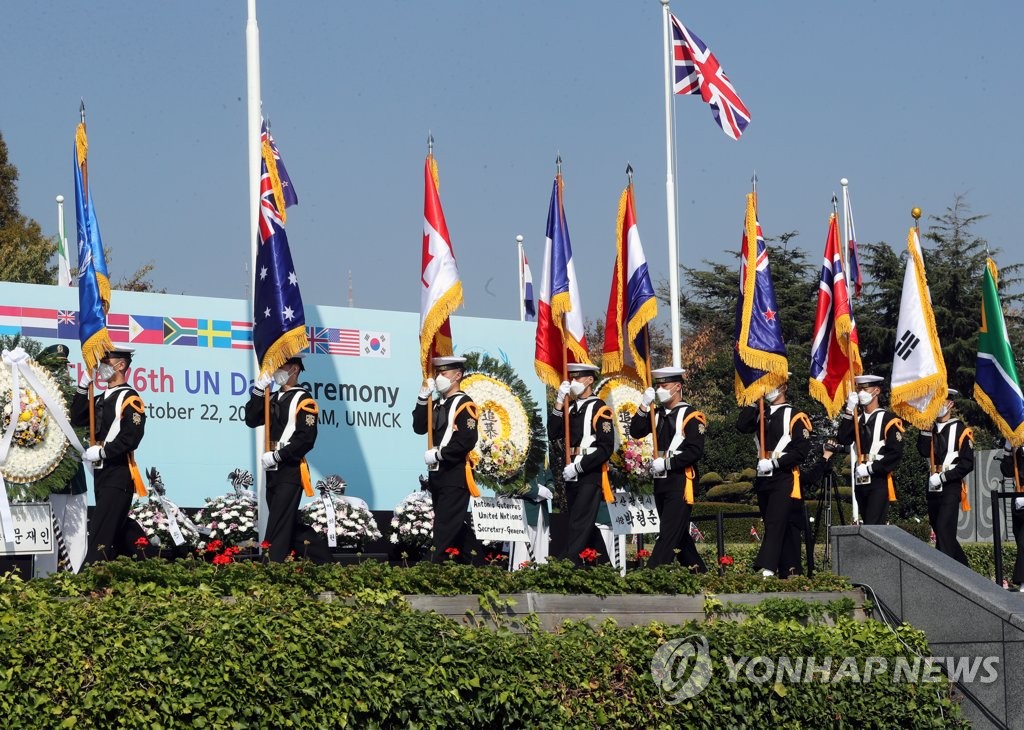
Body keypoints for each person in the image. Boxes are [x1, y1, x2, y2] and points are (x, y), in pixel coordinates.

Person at [244, 354, 332, 563]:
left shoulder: (305, 400)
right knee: (287, 523)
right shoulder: (272, 397)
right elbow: (251, 419)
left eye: (282, 367)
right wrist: (258, 391)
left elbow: (306, 439)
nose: (277, 372)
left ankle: (271, 567)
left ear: (295, 369)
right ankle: (324, 560)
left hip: (290, 467)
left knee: (278, 522)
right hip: (272, 469)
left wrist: (278, 455)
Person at [70, 347, 147, 564]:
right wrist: (83, 387)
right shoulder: (102, 397)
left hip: (118, 473)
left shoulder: (130, 398)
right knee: (118, 532)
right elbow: (77, 418)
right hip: (102, 473)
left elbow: (131, 438)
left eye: (105, 360)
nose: (101, 365)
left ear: (120, 365)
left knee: (100, 534)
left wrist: (103, 451)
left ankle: (88, 579)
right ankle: (146, 564)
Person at [629, 366, 706, 571]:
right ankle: (701, 573)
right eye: (658, 385)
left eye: (664, 385)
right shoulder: (656, 413)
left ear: (677, 387)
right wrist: (644, 406)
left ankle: (653, 572)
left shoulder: (692, 416)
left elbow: (695, 451)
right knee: (679, 535)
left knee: (669, 531)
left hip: (681, 480)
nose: (660, 389)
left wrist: (668, 463)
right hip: (661, 480)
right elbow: (636, 431)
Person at [736, 375, 812, 578]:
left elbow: (801, 451)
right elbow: (741, 426)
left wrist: (777, 462)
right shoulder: (761, 413)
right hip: (763, 475)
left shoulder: (795, 415)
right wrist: (754, 400)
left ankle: (766, 567)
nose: (768, 389)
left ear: (784, 387)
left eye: (772, 385)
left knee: (775, 521)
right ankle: (791, 570)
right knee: (780, 523)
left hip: (784, 475)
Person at [412, 356, 480, 563]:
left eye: (443, 373)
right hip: (438, 474)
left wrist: (440, 454)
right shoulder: (438, 404)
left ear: (457, 375)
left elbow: (466, 440)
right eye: (437, 373)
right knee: (455, 526)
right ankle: (481, 564)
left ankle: (430, 566)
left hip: (455, 473)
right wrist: (423, 398)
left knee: (444, 525)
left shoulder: (464, 404)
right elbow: (419, 427)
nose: (439, 377)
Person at [548, 362, 614, 566]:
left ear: (590, 380)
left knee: (579, 521)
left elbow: (605, 448)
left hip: (588, 472)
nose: (573, 382)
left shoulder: (600, 409)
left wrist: (580, 466)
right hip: (570, 472)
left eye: (577, 378)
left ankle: (566, 563)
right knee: (584, 522)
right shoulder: (571, 407)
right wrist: (559, 402)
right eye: (572, 378)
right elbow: (553, 432)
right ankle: (603, 567)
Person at [837, 374, 904, 525]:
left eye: (865, 389)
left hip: (878, 477)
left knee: (874, 525)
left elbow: (895, 454)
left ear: (876, 391)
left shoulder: (889, 419)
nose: (862, 393)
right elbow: (843, 439)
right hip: (860, 477)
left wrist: (871, 469)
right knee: (866, 523)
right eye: (859, 389)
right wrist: (848, 410)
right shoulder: (857, 419)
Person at [917, 388, 973, 567]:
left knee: (943, 527)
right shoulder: (930, 426)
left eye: (942, 401)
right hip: (932, 485)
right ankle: (964, 569)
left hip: (950, 485)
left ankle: (945, 570)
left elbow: (967, 464)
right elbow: (923, 451)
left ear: (950, 404)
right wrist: (925, 431)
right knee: (941, 531)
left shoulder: (961, 430)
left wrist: (944, 477)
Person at [998, 441, 1024, 590]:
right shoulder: (1017, 448)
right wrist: (1008, 449)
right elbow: (1007, 471)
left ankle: (1022, 581)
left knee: (1023, 542)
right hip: (1018, 498)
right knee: (1018, 536)